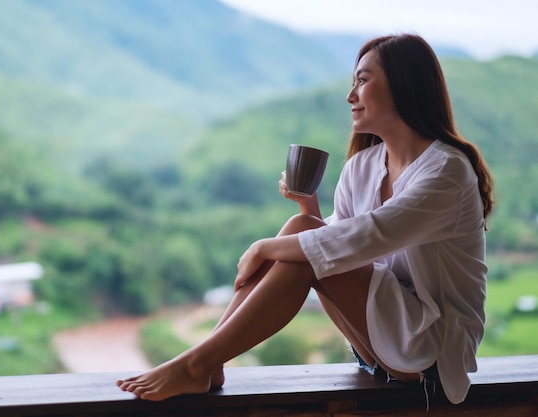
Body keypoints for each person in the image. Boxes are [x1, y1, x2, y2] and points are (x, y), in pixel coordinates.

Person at [116, 33, 494, 406]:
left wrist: (264, 246)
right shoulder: (363, 166)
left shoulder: (446, 172)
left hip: (435, 353)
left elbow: (365, 237)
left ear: (404, 85)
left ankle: (200, 362)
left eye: (362, 81)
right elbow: (335, 253)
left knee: (303, 237)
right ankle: (206, 362)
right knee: (304, 231)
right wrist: (308, 208)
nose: (351, 96)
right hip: (379, 347)